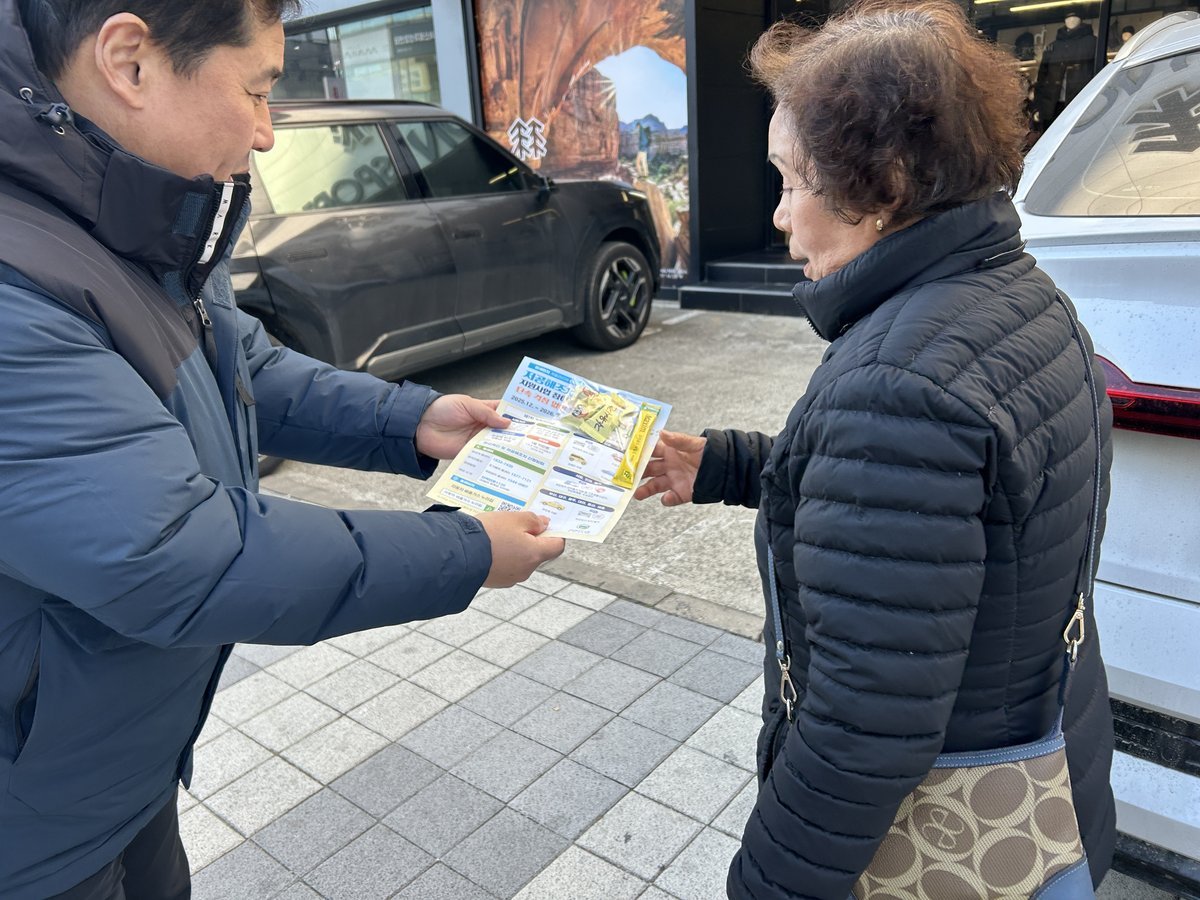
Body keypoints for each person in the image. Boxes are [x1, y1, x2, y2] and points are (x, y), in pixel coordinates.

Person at [0, 1, 564, 897]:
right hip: (32, 824)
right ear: (129, 61)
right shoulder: (18, 279)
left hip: (114, 761)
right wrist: (465, 550)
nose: (266, 133)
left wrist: (408, 421)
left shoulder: (134, 203)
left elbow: (238, 362)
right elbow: (174, 554)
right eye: (259, 90)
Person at [634, 1, 1116, 896]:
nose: (780, 217)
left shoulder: (899, 382)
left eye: (792, 182)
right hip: (1049, 795)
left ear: (885, 183)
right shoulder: (1022, 297)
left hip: (950, 846)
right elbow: (930, 508)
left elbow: (862, 730)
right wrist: (728, 465)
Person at [1034, 7, 1098, 127]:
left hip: (1081, 104)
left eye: (1075, 17)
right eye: (1068, 18)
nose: (1071, 20)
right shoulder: (1053, 46)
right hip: (1052, 107)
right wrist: (1038, 106)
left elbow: (1099, 72)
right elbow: (1042, 78)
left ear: (1081, 20)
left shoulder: (1093, 43)